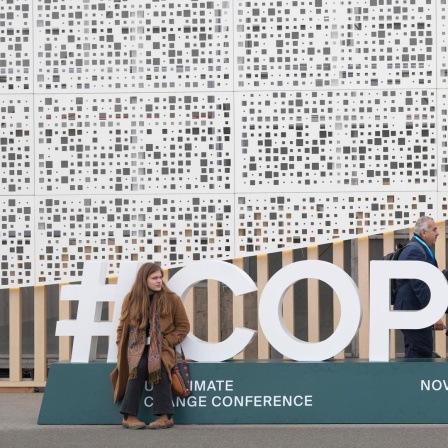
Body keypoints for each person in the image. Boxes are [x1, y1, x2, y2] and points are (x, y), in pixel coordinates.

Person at [111, 263, 190, 429]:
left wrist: (166, 341)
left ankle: (166, 416)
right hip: (136, 349)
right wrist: (122, 346)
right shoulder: (131, 299)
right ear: (143, 279)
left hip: (161, 349)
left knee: (158, 366)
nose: (159, 281)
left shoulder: (171, 298)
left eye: (160, 277)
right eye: (154, 278)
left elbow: (183, 327)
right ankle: (129, 416)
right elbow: (122, 327)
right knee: (137, 368)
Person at [393, 216, 446, 358]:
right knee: (422, 353)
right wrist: (433, 314)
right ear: (423, 232)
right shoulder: (415, 251)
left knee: (415, 353)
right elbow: (420, 285)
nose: (438, 233)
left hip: (412, 310)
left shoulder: (419, 248)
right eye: (434, 229)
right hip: (412, 311)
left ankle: (407, 380)